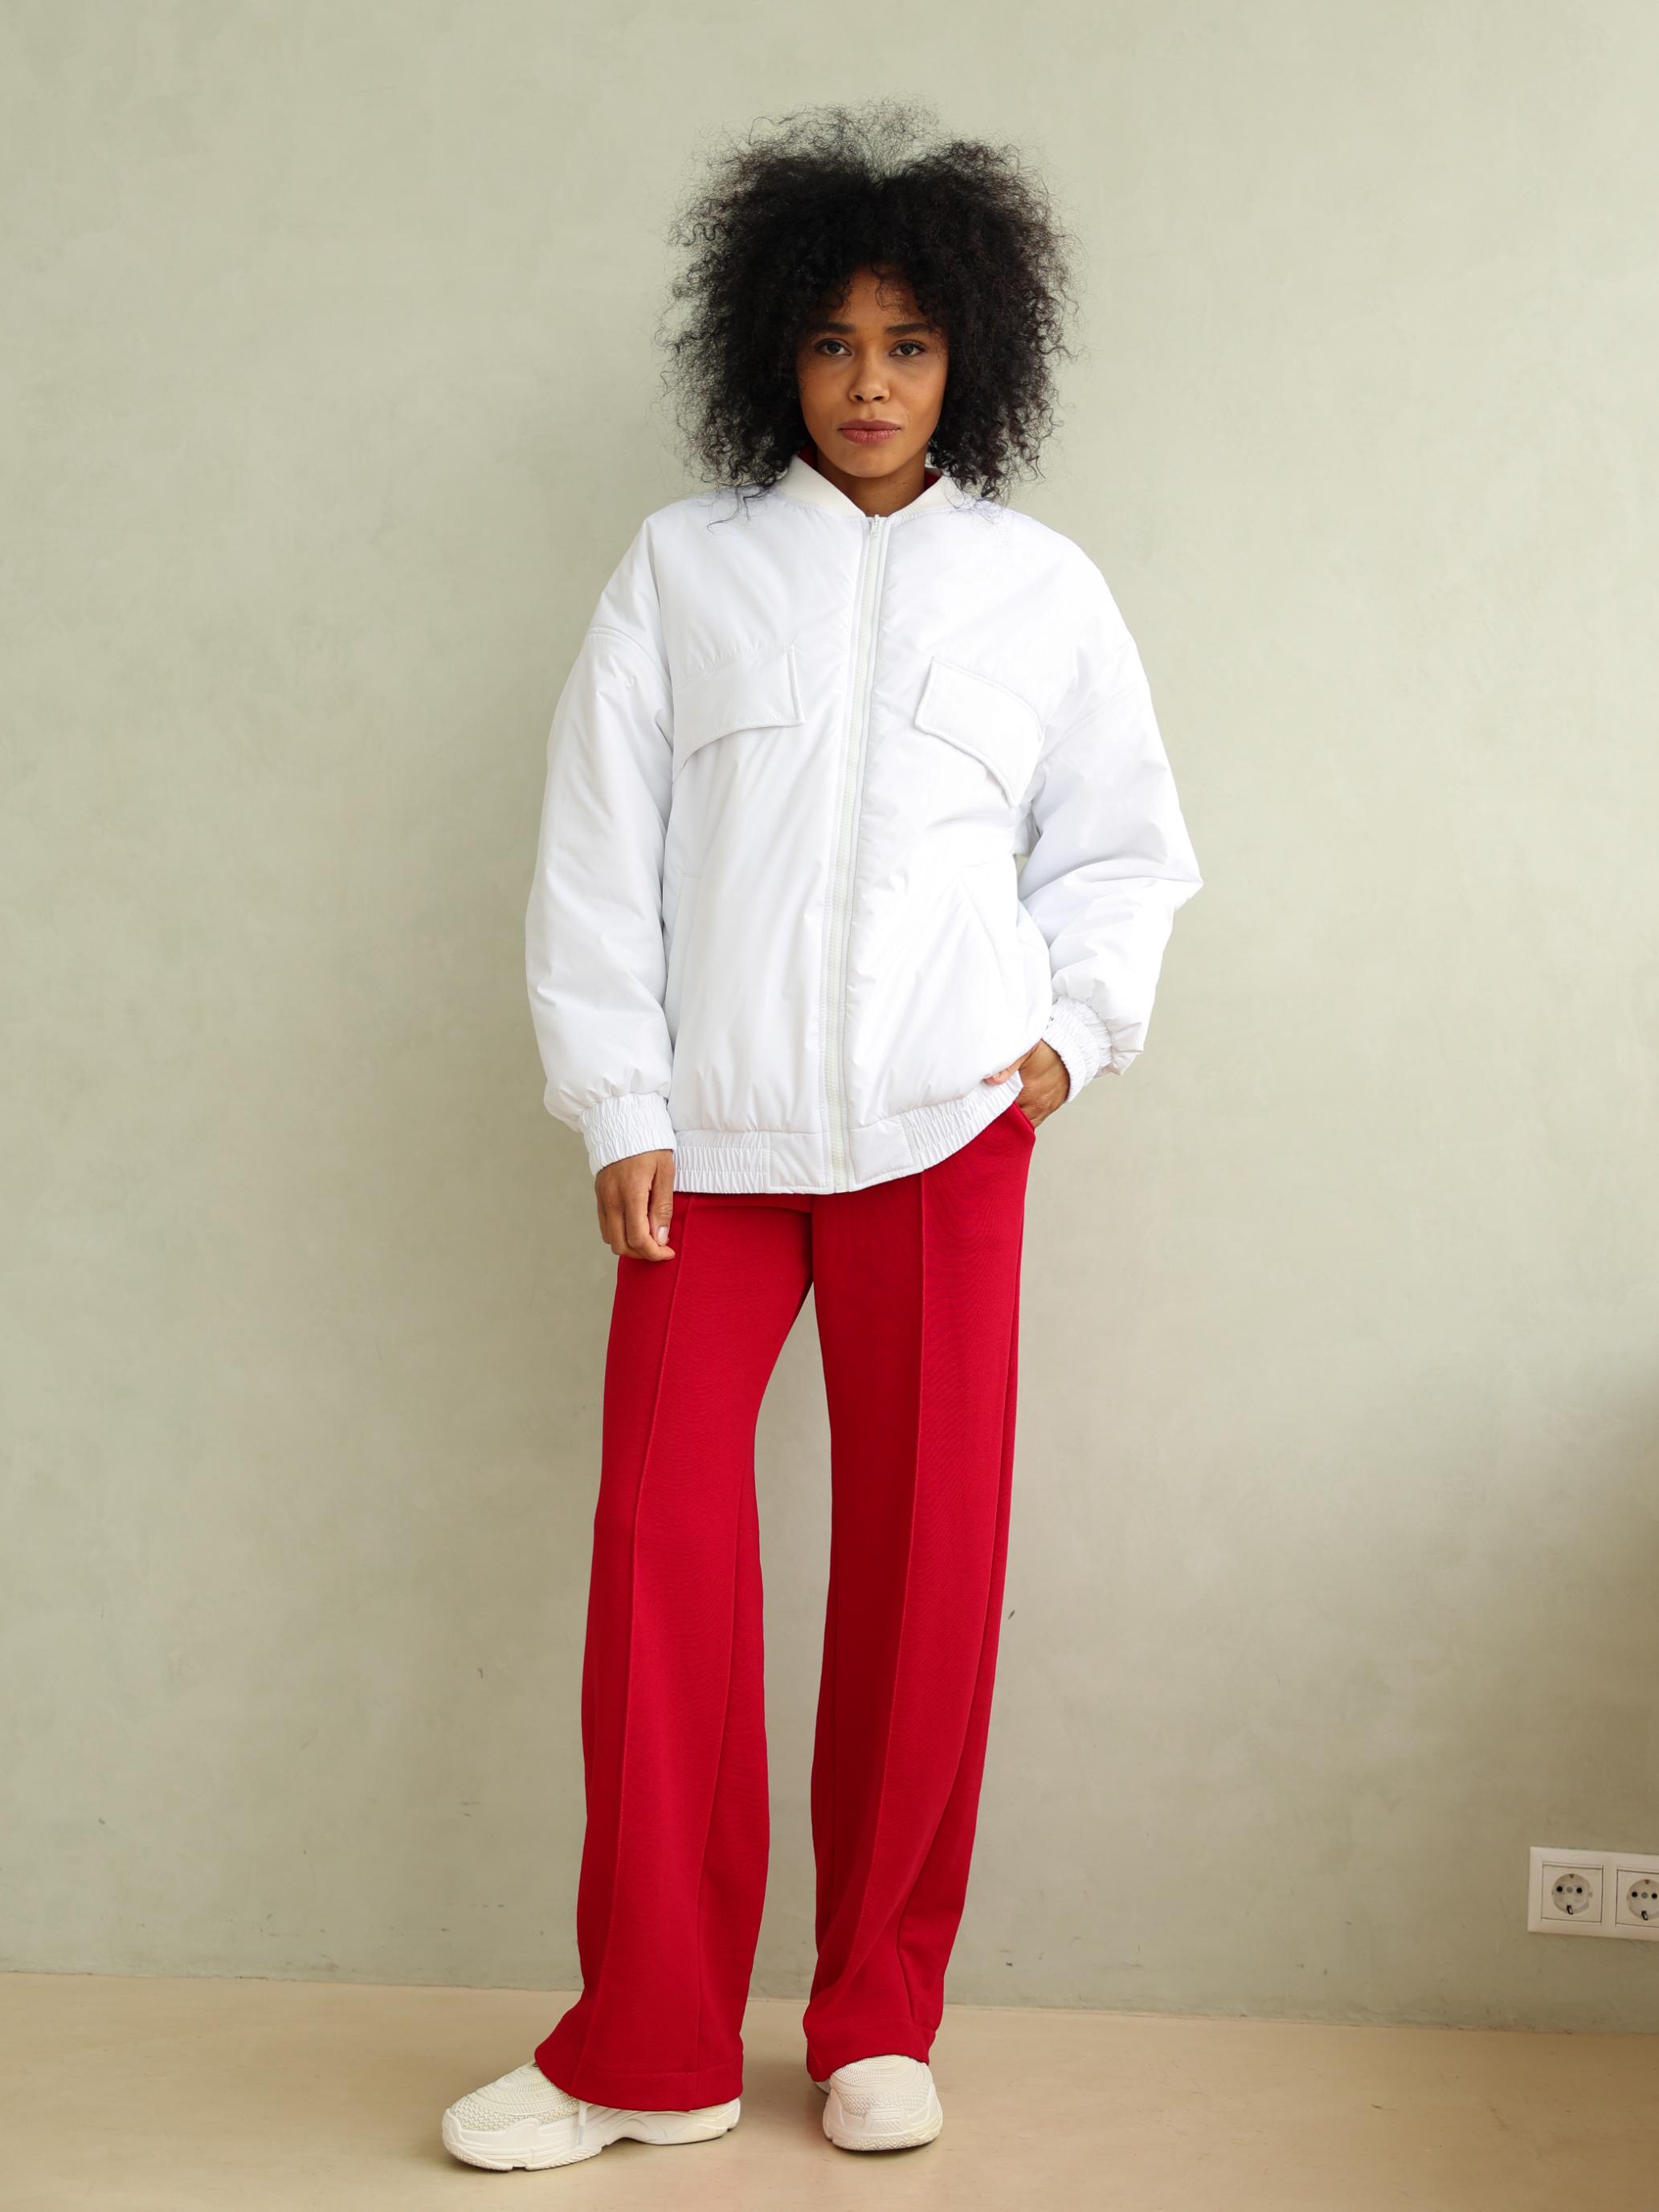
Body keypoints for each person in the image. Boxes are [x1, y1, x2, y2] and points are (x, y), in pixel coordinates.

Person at [442, 100, 1201, 2173]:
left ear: (970, 360)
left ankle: (876, 2014)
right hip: (710, 1146)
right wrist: (618, 1099)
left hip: (947, 1138)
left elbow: (1123, 851)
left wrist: (1064, 1041)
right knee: (660, 1579)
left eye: (910, 345)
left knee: (924, 1582)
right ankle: (651, 2047)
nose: (869, 383)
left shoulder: (1038, 590)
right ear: (770, 349)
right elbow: (596, 857)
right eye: (834, 342)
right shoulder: (681, 569)